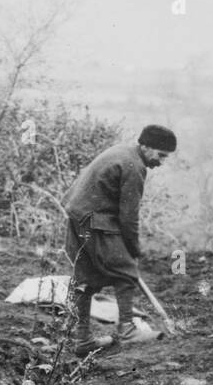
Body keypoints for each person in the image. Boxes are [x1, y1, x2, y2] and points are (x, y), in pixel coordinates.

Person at [62, 125, 176, 354]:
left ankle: (82, 339)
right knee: (126, 271)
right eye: (160, 155)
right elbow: (128, 217)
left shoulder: (123, 152)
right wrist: (133, 248)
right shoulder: (134, 166)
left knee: (84, 280)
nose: (161, 161)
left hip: (77, 217)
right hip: (94, 220)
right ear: (145, 147)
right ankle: (127, 330)